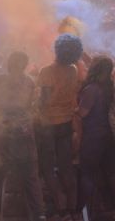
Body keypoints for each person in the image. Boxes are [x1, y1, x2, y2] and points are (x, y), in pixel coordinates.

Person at [0, 52, 45, 221]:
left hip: (4, 130)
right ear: (24, 64)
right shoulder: (29, 81)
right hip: (24, 131)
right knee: (30, 178)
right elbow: (31, 105)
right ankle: (39, 215)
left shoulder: (0, 80)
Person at [37, 34, 82, 220]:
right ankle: (73, 207)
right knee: (65, 166)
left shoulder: (46, 71)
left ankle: (60, 204)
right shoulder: (73, 70)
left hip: (48, 124)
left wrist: (36, 106)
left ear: (58, 49)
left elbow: (44, 101)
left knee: (47, 167)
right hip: (66, 124)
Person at [73, 56, 115, 217]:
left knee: (87, 173)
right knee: (108, 172)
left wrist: (72, 109)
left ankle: (80, 210)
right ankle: (108, 207)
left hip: (93, 138)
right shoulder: (109, 88)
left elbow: (83, 113)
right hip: (108, 137)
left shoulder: (91, 89)